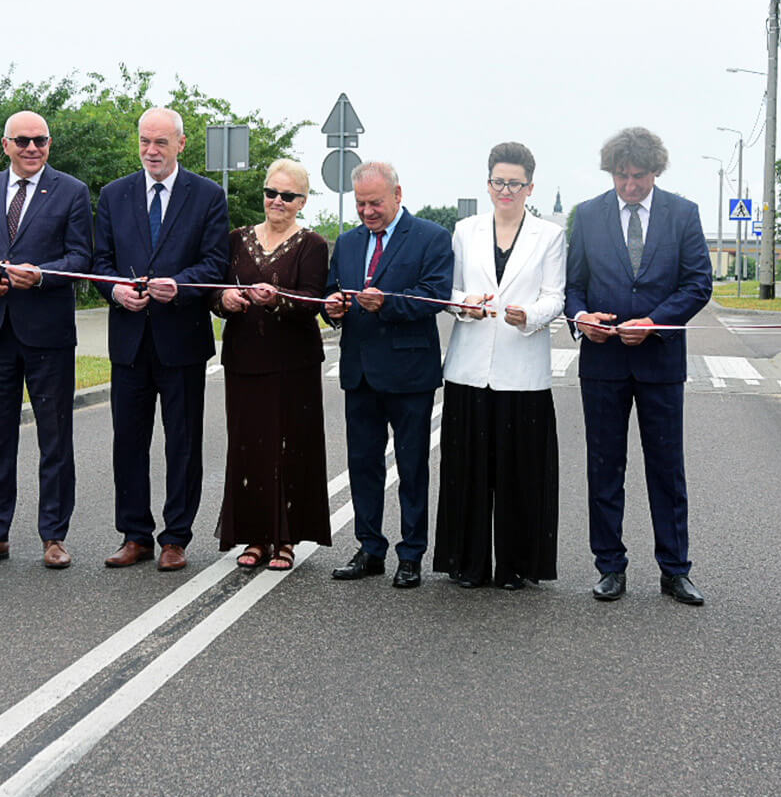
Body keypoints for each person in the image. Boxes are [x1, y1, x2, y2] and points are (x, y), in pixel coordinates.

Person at [565, 127, 712, 604]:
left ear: (656, 171)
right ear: (611, 172)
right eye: (622, 177)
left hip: (660, 363)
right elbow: (574, 286)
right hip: (603, 362)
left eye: (640, 177)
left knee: (667, 471)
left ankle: (675, 570)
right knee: (605, 469)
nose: (630, 186)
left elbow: (697, 284)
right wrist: (581, 316)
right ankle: (610, 566)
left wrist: (655, 321)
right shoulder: (586, 216)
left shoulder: (683, 213)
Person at [92, 107, 230, 572]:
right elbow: (100, 260)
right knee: (128, 441)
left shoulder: (208, 196)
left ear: (181, 145)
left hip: (182, 339)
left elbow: (215, 264)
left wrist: (181, 287)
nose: (152, 151)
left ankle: (175, 537)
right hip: (129, 339)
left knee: (183, 442)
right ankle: (135, 535)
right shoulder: (114, 195)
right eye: (145, 142)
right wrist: (114, 290)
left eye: (161, 143)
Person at [0, 111, 94, 569]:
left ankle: (54, 537)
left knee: (55, 437)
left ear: (49, 144)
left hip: (48, 334)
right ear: (6, 145)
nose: (32, 148)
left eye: (41, 141)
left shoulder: (72, 191)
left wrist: (40, 277)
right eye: (23, 141)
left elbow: (80, 257)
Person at [435, 142, 567, 589]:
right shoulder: (464, 230)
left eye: (515, 183)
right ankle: (466, 563)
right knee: (465, 470)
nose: (505, 189)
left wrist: (529, 315)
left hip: (522, 369)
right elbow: (448, 290)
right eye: (498, 181)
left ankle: (515, 565)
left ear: (530, 187)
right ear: (487, 184)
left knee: (520, 473)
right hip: (469, 367)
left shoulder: (548, 236)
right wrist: (463, 305)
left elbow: (555, 297)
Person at [324, 161, 454, 589]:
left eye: (375, 202)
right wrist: (334, 310)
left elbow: (436, 296)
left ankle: (412, 552)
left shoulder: (432, 237)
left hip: (409, 372)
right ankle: (370, 548)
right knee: (363, 464)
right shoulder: (346, 242)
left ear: (398, 195)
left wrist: (390, 305)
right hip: (359, 372)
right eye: (360, 204)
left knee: (412, 466)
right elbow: (333, 291)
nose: (367, 211)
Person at [210, 159, 332, 571]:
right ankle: (255, 537)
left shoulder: (312, 244)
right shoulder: (236, 239)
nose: (277, 201)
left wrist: (276, 298)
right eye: (271, 192)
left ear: (302, 201)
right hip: (244, 358)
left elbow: (313, 299)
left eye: (288, 195)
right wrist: (223, 301)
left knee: (289, 446)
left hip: (292, 362)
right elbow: (216, 290)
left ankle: (286, 539)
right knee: (249, 447)